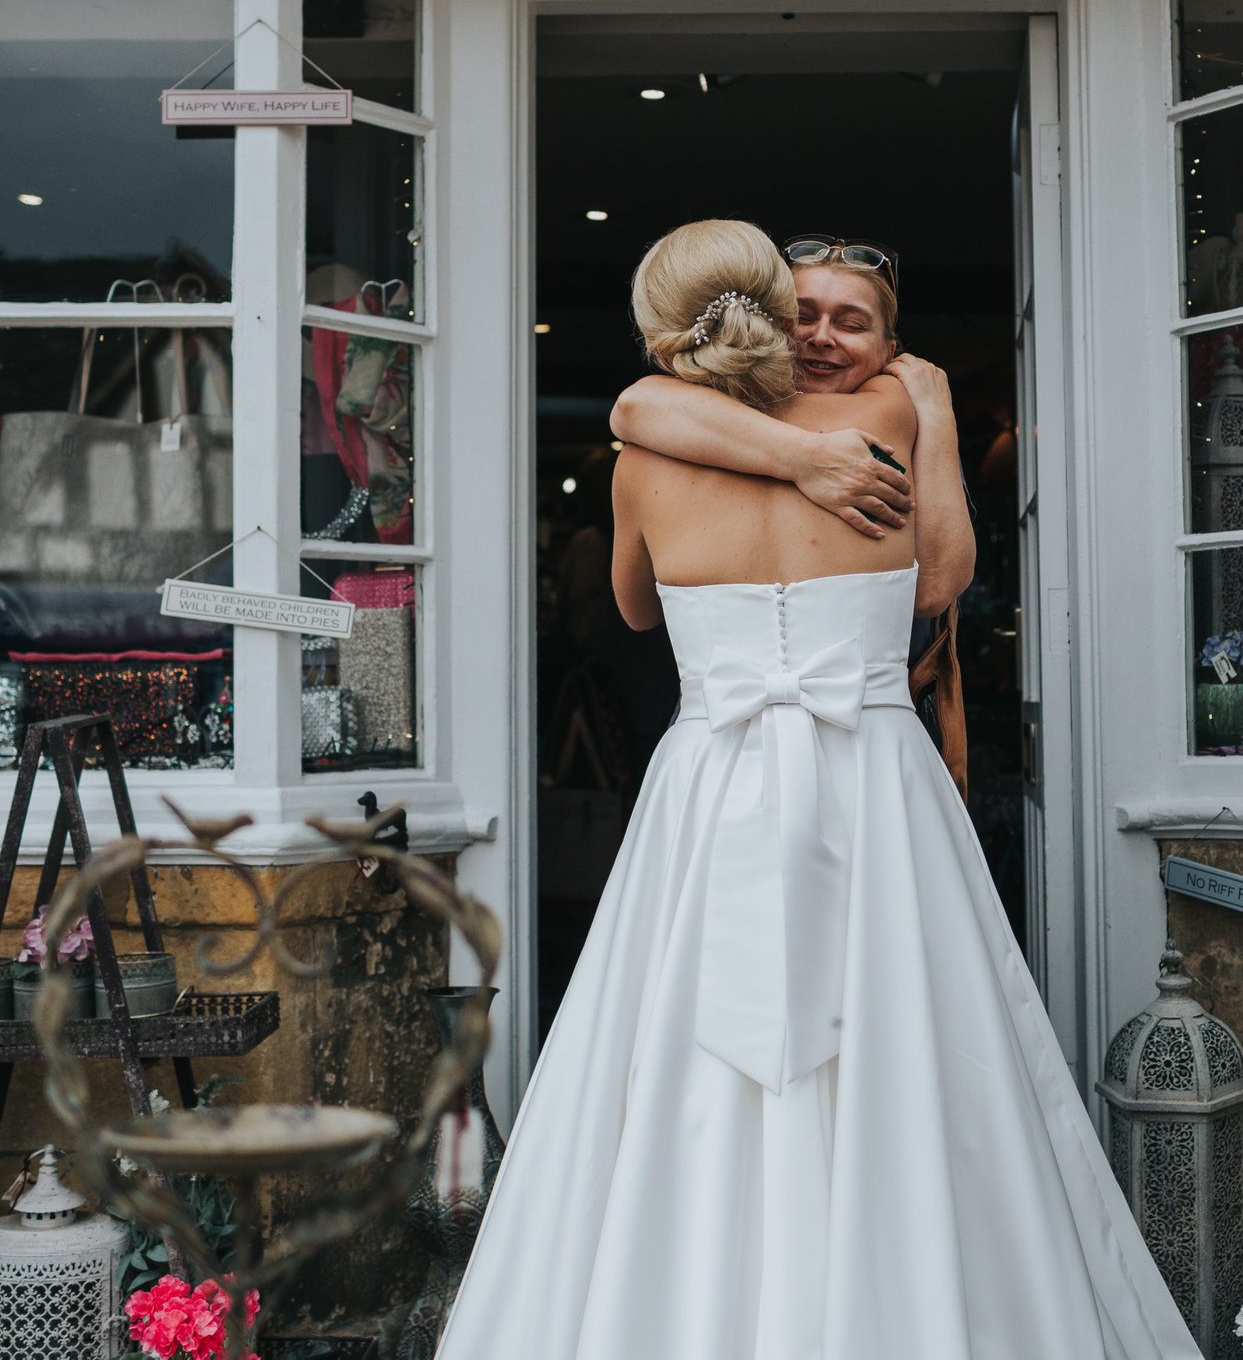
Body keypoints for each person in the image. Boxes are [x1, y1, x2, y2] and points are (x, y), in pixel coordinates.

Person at [435, 220, 1200, 1360]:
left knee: (674, 1049)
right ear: (765, 316)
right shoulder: (880, 419)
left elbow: (635, 605)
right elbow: (941, 582)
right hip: (868, 768)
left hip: (715, 769)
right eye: (809, 314)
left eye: (855, 320)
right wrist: (924, 416)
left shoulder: (650, 447)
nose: (828, 337)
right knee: (912, 1029)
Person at [610, 233, 977, 614]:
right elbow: (634, 405)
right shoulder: (894, 409)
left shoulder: (903, 414)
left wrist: (935, 414)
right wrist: (805, 456)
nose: (821, 337)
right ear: (765, 324)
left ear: (890, 352)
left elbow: (639, 613)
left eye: (851, 325)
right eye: (801, 317)